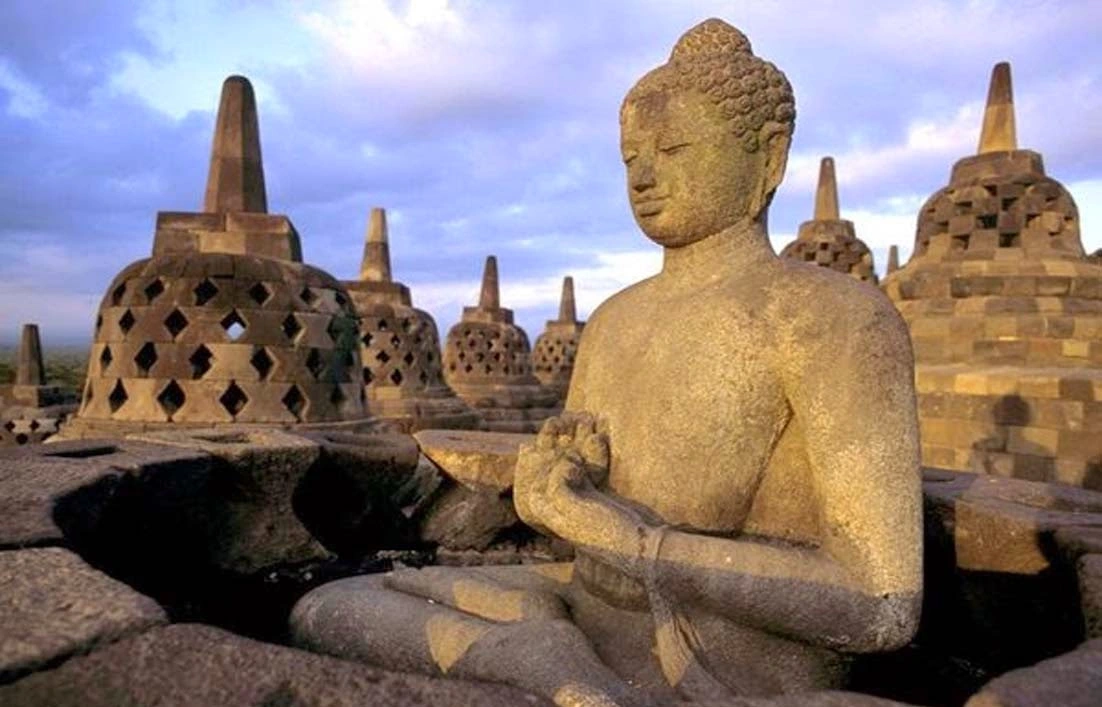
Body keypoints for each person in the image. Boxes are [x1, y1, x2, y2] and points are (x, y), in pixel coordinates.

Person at [291, 18, 922, 706]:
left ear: (768, 157)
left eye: (675, 149)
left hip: (725, 656)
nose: (645, 176)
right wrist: (561, 485)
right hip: (588, 609)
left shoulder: (833, 319)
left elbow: (881, 600)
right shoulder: (615, 319)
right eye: (630, 158)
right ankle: (546, 660)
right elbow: (581, 530)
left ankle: (554, 668)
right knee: (332, 605)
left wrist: (635, 541)